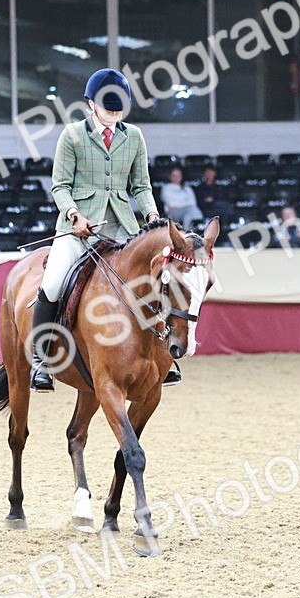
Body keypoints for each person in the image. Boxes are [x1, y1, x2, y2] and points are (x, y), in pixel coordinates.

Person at [31, 67, 181, 392]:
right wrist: (75, 216)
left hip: (122, 227)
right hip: (79, 228)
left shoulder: (134, 136)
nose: (114, 113)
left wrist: (152, 215)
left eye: (118, 108)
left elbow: (141, 185)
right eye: (108, 108)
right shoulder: (72, 135)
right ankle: (41, 359)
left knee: (155, 280)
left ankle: (164, 354)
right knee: (53, 284)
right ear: (91, 104)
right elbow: (60, 186)